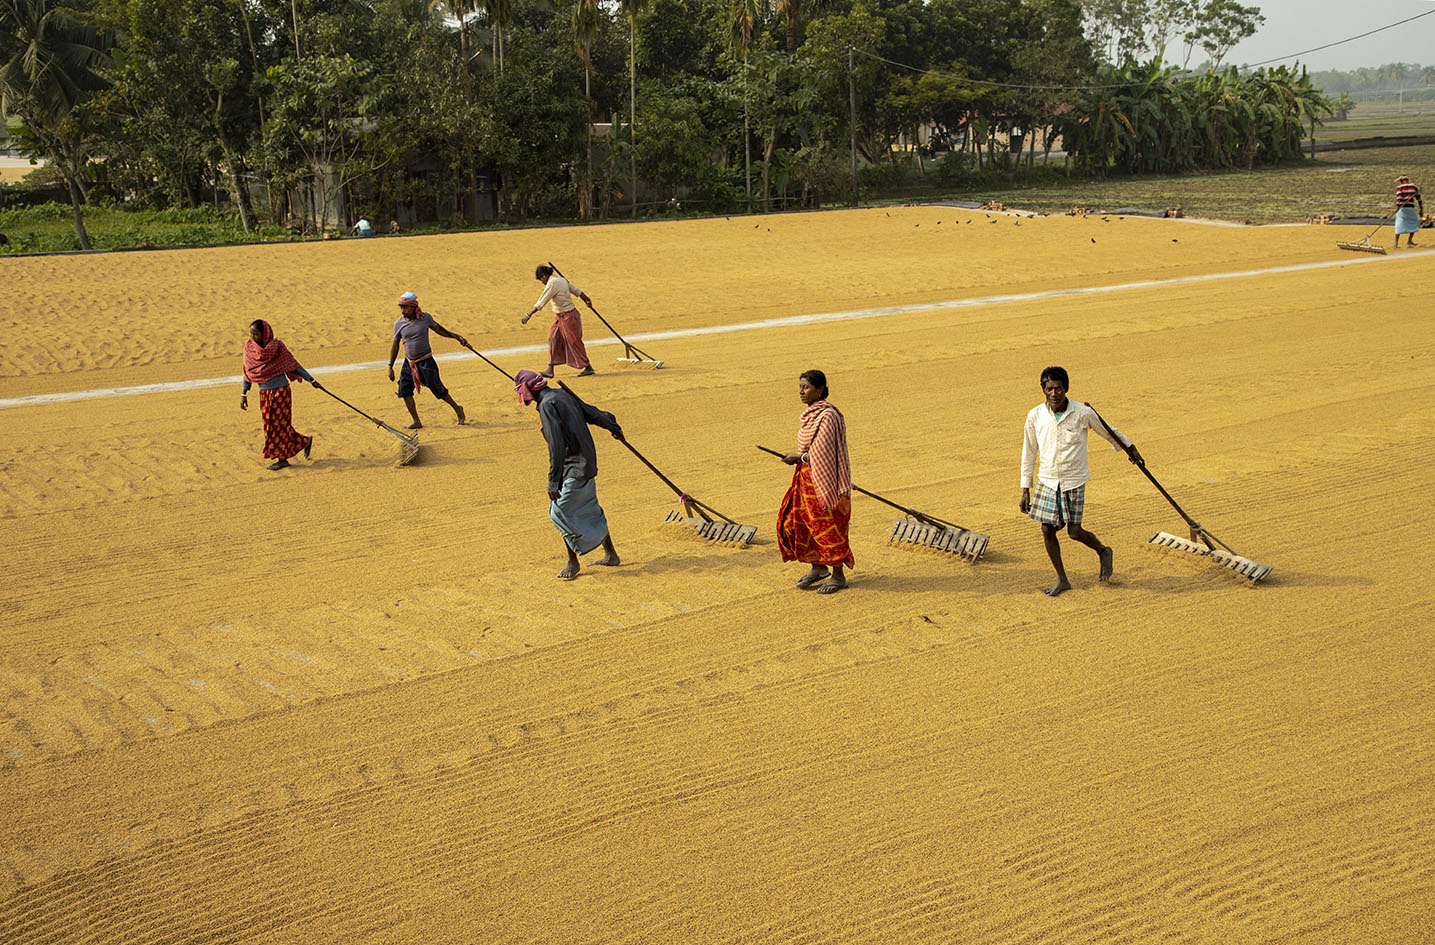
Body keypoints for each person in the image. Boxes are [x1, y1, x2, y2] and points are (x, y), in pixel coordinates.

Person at [1019, 366, 1143, 596]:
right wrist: (1025, 488)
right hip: (1047, 481)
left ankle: (1103, 551)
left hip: (1073, 480)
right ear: (1043, 390)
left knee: (1074, 532)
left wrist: (1130, 448)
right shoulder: (1035, 416)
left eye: (1058, 388)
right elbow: (1029, 451)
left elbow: (1108, 431)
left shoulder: (1082, 413)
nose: (1054, 393)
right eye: (1049, 389)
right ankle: (1062, 579)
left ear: (1066, 388)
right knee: (1047, 529)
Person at [514, 369, 624, 580]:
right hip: (587, 460)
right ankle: (611, 554)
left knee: (559, 511)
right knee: (589, 505)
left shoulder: (547, 405)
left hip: (573, 465)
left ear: (529, 391)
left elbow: (556, 444)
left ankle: (573, 562)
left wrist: (553, 481)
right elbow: (590, 411)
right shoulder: (561, 394)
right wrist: (611, 424)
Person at [777, 370, 853, 595]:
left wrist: (798, 457)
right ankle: (818, 567)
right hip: (805, 479)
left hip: (825, 483)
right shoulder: (810, 414)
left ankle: (838, 574)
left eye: (806, 387)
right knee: (799, 524)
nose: (801, 391)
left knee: (827, 526)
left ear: (820, 390)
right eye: (800, 387)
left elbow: (823, 452)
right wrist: (800, 459)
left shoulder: (828, 416)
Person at [241, 319, 324, 471]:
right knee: (271, 426)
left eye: (256, 334)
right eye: (251, 333)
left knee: (279, 426)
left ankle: (282, 459)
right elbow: (247, 372)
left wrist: (311, 380)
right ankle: (304, 441)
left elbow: (294, 365)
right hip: (264, 393)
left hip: (281, 392)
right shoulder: (249, 349)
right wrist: (243, 393)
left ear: (265, 334)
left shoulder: (277, 348)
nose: (252, 337)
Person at [387, 291, 467, 429]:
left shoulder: (425, 319)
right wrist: (390, 366)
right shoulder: (398, 324)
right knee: (404, 391)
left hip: (426, 362)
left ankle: (457, 408)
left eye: (405, 307)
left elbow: (440, 330)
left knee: (438, 389)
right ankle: (416, 421)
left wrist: (457, 337)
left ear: (413, 307)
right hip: (409, 363)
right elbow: (395, 345)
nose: (403, 311)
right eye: (401, 307)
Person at [521, 264, 594, 378]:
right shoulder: (561, 280)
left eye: (541, 279)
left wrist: (528, 315)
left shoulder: (552, 284)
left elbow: (542, 301)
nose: (542, 282)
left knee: (574, 342)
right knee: (553, 338)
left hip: (569, 317)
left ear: (544, 276)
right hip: (560, 317)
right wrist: (587, 299)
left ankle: (588, 367)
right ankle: (550, 369)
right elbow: (577, 291)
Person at [1394, 175, 1423, 248]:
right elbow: (1419, 199)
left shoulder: (1399, 187)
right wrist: (1421, 209)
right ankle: (1409, 240)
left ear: (1401, 181)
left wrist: (1397, 207)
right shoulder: (1414, 186)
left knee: (1399, 223)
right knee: (1413, 223)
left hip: (1402, 208)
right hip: (1411, 208)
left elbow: (1399, 197)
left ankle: (1396, 243)